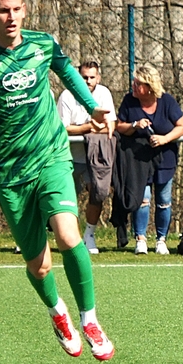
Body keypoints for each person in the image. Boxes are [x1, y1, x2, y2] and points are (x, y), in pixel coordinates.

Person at [0, 0, 114, 360]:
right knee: (40, 266)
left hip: (51, 156)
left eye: (17, 9)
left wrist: (91, 106)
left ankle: (90, 319)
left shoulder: (42, 44)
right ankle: (58, 312)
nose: (11, 17)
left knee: (69, 236)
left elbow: (67, 72)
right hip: (11, 173)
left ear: (25, 10)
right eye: (3, 10)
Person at [114, 64, 183, 255]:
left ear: (149, 86)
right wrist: (135, 125)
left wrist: (164, 139)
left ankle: (161, 240)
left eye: (137, 83)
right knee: (142, 199)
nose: (133, 86)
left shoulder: (167, 101)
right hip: (138, 160)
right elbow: (119, 126)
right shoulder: (129, 101)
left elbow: (182, 126)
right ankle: (140, 239)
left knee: (164, 200)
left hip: (165, 158)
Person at [57, 58, 117, 254]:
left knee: (98, 194)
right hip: (68, 157)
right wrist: (89, 127)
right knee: (64, 201)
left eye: (92, 77)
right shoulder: (67, 95)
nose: (88, 81)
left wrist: (88, 129)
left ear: (98, 77)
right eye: (84, 77)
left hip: (96, 158)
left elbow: (110, 126)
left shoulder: (104, 93)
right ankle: (66, 238)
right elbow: (63, 128)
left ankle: (89, 235)